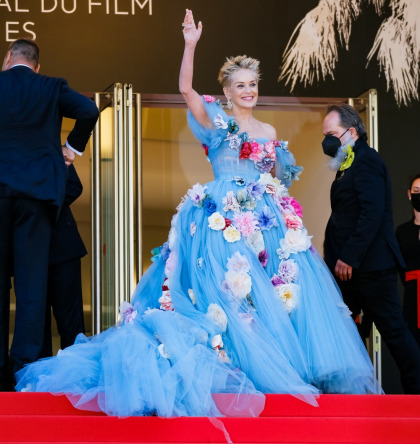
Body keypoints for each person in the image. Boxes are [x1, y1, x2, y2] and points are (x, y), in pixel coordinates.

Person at [14, 11, 381, 417]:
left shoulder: (269, 133)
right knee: (224, 292)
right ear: (226, 90)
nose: (248, 91)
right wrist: (190, 44)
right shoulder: (216, 118)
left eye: (253, 85)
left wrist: (276, 203)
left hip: (263, 219)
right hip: (219, 218)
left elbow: (278, 176)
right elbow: (186, 88)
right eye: (240, 85)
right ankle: (234, 372)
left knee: (272, 293)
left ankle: (273, 370)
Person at [0, 38, 99, 389]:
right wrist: (70, 148)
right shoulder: (50, 86)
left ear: (7, 58)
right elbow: (88, 110)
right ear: (37, 65)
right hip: (36, 196)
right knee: (31, 284)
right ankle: (25, 371)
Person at [322, 103, 420, 394]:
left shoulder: (367, 160)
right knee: (342, 330)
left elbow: (372, 211)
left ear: (351, 132)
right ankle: (348, 395)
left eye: (332, 133)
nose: (326, 140)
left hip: (370, 268)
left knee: (394, 332)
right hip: (351, 272)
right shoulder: (347, 163)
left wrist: (348, 256)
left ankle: (416, 395)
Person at [42, 164, 87, 357]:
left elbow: (74, 186)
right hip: (26, 255)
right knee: (35, 327)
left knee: (71, 325)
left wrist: (38, 209)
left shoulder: (51, 144)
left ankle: (75, 380)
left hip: (62, 250)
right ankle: (35, 383)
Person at [396, 174, 420, 349]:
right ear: (409, 194)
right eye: (416, 191)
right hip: (412, 297)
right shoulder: (402, 231)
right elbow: (400, 267)